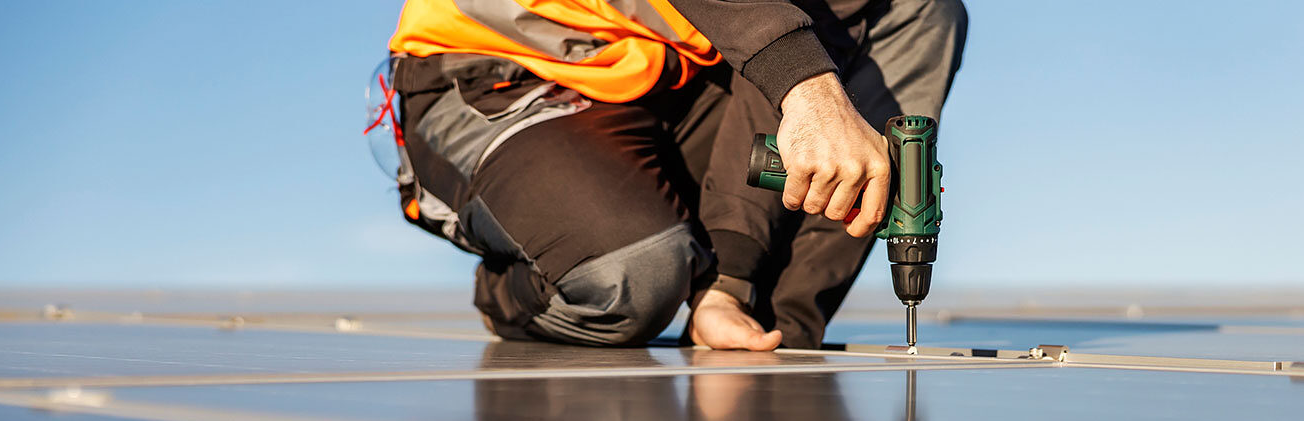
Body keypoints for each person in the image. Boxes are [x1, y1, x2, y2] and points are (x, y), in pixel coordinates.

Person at [386, 0, 966, 350]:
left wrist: (734, 285)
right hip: (496, 71)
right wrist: (808, 89)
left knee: (914, 7)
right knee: (631, 278)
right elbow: (781, 55)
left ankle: (766, 321)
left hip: (665, 79)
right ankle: (508, 294)